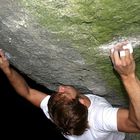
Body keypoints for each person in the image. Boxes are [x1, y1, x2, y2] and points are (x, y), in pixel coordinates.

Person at [0, 41, 140, 140]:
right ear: (82, 102)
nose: (60, 88)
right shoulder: (100, 118)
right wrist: (128, 76)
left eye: (57, 93)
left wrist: (7, 70)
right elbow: (137, 124)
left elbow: (27, 92)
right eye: (64, 93)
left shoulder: (59, 112)